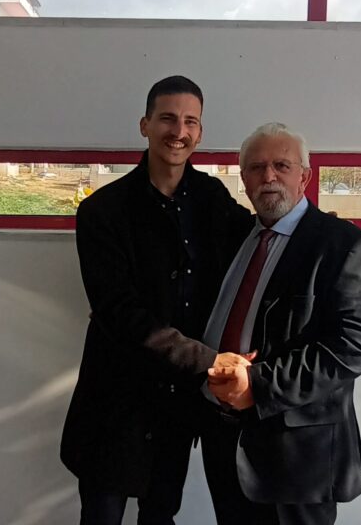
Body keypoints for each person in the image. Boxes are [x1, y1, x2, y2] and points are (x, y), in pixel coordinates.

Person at [60, 75, 254, 525]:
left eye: (190, 122)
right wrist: (210, 361)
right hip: (113, 402)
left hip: (177, 405)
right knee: (101, 517)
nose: (178, 131)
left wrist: (319, 230)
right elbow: (120, 313)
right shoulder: (101, 211)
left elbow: (258, 242)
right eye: (167, 118)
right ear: (145, 125)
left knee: (161, 516)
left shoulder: (212, 198)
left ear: (200, 133)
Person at [201, 122, 361, 525]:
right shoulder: (234, 239)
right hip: (224, 438)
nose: (268, 176)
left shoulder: (345, 245)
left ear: (304, 176)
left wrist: (259, 386)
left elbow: (355, 347)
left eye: (282, 166)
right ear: (244, 179)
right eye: (256, 167)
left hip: (299, 455)